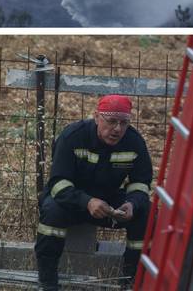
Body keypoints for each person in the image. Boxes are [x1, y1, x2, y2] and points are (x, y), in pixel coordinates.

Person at [35, 95, 152, 290]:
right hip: (72, 202)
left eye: (124, 123)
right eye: (112, 121)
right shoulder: (72, 136)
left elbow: (141, 184)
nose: (117, 129)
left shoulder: (134, 142)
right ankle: (47, 282)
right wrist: (87, 202)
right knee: (52, 210)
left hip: (107, 203)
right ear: (97, 117)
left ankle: (132, 281)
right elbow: (58, 183)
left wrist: (132, 204)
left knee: (146, 212)